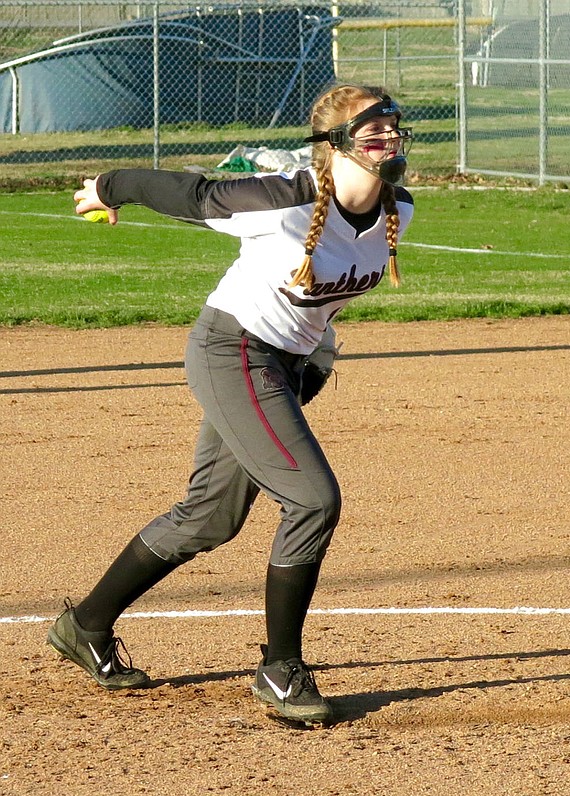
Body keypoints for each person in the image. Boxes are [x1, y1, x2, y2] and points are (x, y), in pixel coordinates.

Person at [48, 83, 414, 725]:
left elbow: (320, 306)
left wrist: (315, 360)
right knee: (313, 498)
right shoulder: (283, 201)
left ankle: (86, 625)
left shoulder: (397, 210)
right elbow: (192, 194)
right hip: (234, 351)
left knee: (209, 517)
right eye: (370, 129)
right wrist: (110, 184)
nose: (386, 138)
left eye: (392, 126)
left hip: (285, 364)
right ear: (334, 146)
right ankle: (279, 669)